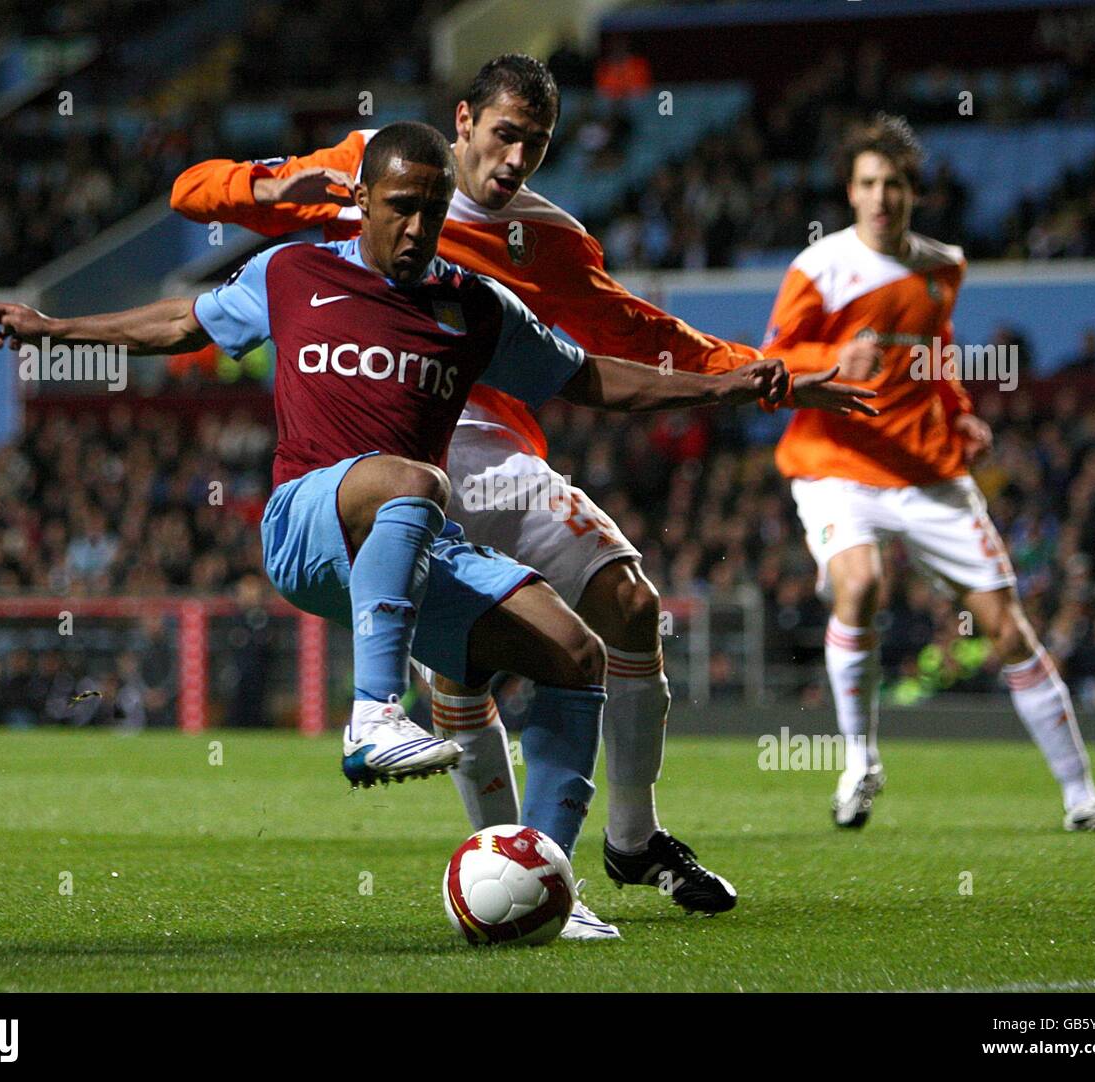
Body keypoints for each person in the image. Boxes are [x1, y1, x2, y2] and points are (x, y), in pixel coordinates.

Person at [0, 122, 874, 937]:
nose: (417, 228)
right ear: (360, 199)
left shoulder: (475, 303)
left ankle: (549, 879)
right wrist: (55, 330)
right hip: (310, 524)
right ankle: (371, 716)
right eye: (402, 207)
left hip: (419, 541)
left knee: (575, 654)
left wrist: (736, 382)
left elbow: (593, 379)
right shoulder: (295, 271)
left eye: (433, 212)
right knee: (414, 478)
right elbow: (181, 321)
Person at [170, 54, 807, 916]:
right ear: (465, 121)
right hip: (389, 457)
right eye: (506, 135)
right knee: (462, 680)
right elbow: (191, 193)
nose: (515, 162)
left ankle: (627, 839)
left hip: (499, 459)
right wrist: (277, 188)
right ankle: (523, 877)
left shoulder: (550, 237)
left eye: (536, 146)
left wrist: (762, 371)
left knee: (628, 605)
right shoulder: (367, 167)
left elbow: (635, 331)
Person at [761, 114, 1095, 833]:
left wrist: (960, 410)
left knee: (1008, 631)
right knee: (863, 582)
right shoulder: (820, 268)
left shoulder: (942, 267)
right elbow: (771, 359)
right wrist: (832, 363)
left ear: (913, 193)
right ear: (850, 191)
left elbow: (935, 353)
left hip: (929, 471)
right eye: (869, 183)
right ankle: (860, 761)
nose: (882, 196)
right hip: (837, 464)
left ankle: (1082, 797)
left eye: (895, 184)